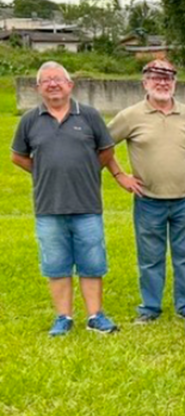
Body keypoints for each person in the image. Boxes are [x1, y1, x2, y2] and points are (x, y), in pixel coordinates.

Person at [11, 62, 119, 336]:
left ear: (70, 85)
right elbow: (18, 156)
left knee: (92, 263)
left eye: (58, 79)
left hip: (87, 206)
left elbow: (106, 150)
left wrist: (88, 169)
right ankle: (63, 318)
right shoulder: (30, 120)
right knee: (56, 265)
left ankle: (95, 316)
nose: (53, 84)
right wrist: (44, 170)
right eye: (46, 81)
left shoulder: (90, 116)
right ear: (38, 88)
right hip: (49, 207)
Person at [106, 59, 185, 323]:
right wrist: (120, 175)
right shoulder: (130, 116)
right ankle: (150, 308)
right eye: (156, 78)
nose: (162, 83)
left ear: (175, 83)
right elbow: (103, 145)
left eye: (168, 79)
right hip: (148, 200)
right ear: (145, 82)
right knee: (150, 259)